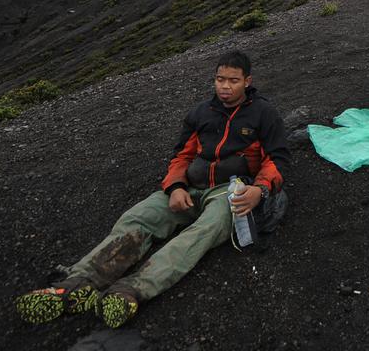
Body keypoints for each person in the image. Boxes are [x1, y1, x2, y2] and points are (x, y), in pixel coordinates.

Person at [15, 50, 290, 328]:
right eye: (220, 80)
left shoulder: (263, 114)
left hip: (229, 190)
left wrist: (260, 190)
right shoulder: (200, 113)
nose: (225, 87)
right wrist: (175, 187)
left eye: (233, 80)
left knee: (203, 231)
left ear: (247, 81)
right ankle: (79, 282)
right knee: (138, 218)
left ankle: (132, 290)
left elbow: (277, 158)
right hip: (191, 187)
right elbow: (181, 156)